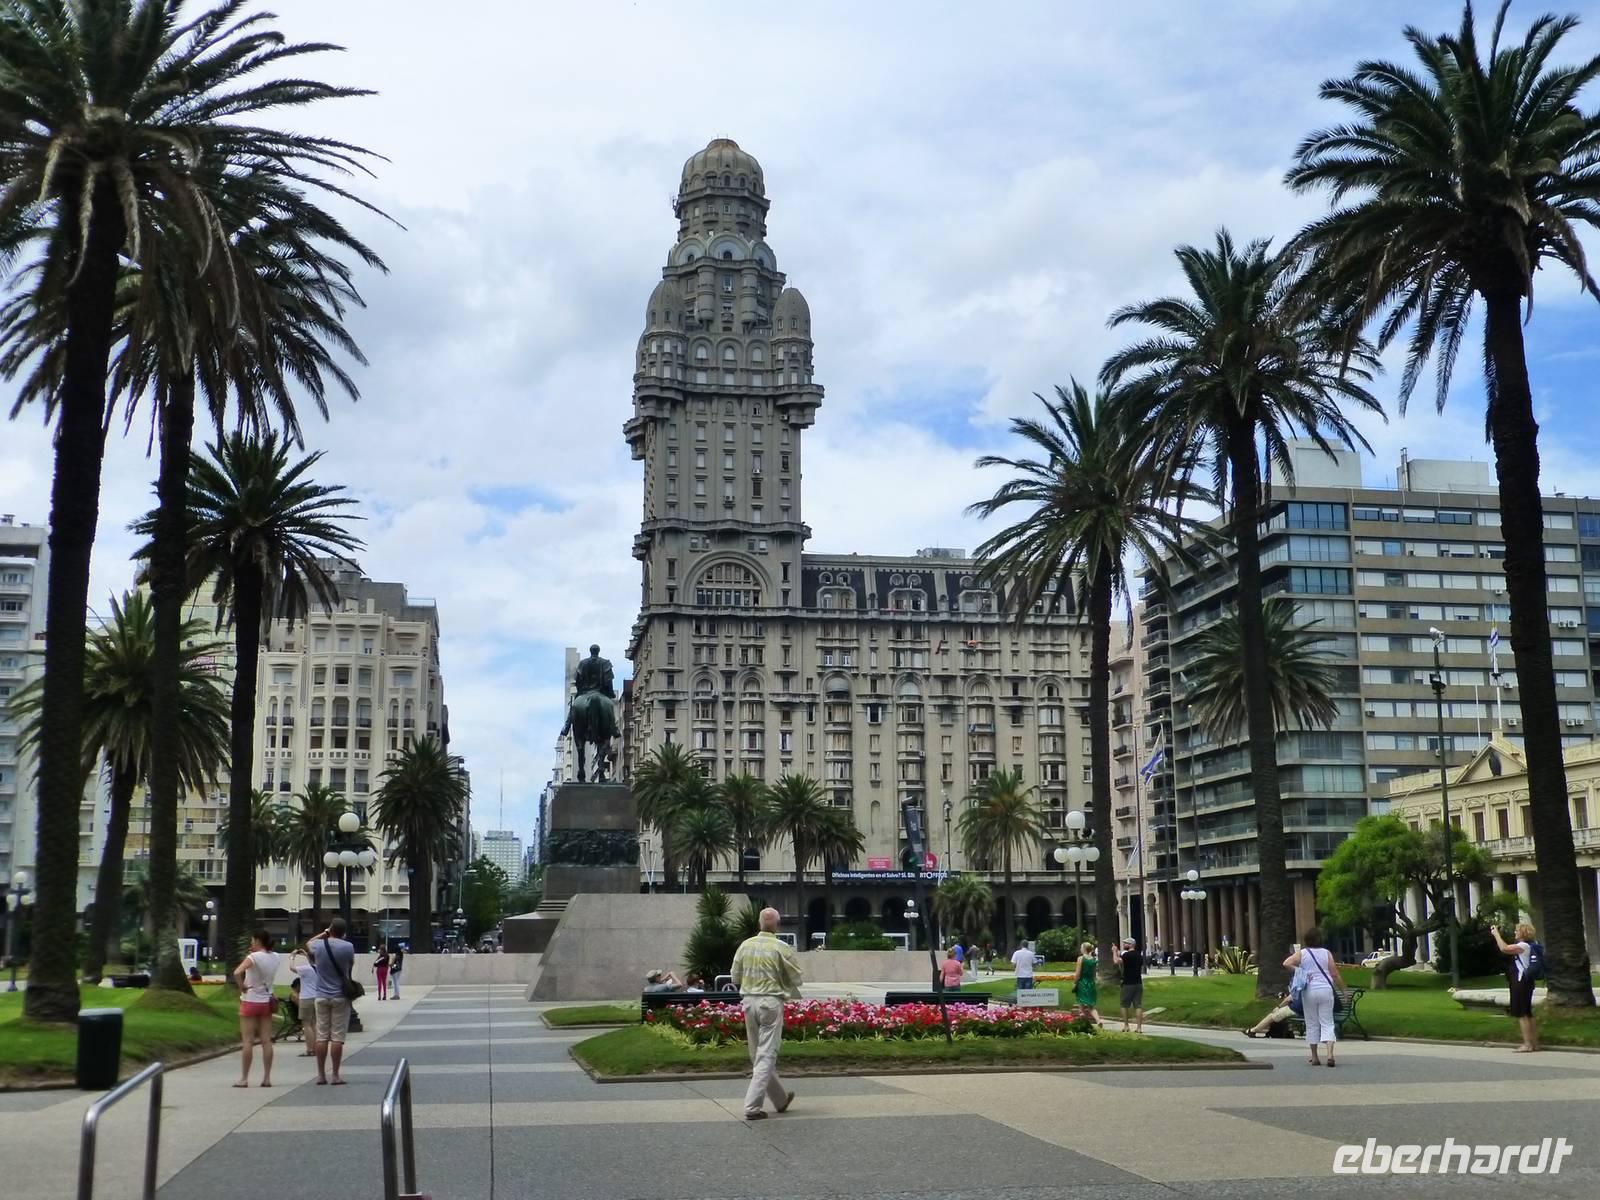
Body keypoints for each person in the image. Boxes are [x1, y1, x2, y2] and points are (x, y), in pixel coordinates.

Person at [730, 906, 802, 1121]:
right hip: (771, 1002)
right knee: (766, 1055)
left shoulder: (745, 945)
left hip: (749, 1002)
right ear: (777, 925)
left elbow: (735, 977)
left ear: (759, 923)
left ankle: (780, 1099)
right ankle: (752, 1107)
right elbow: (796, 978)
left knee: (756, 1055)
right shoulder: (781, 947)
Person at [1284, 926, 1344, 1067]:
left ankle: (1315, 1056)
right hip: (1325, 990)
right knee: (1327, 1022)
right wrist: (1344, 990)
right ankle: (1330, 1054)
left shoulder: (1302, 953)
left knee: (1312, 1023)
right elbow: (1334, 974)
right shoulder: (1326, 953)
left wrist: (1300, 971)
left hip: (1309, 991)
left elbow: (1286, 963)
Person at [308, 917, 357, 1085]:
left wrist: (324, 933)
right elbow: (350, 964)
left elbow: (308, 944)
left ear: (330, 929)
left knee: (321, 1037)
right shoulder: (348, 947)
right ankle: (335, 1074)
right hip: (340, 996)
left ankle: (321, 1075)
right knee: (337, 1037)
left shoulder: (319, 945)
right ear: (344, 932)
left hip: (321, 995)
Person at [232, 929, 279, 1088]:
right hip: (266, 1001)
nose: (251, 944)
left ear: (258, 941)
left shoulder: (252, 957)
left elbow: (237, 972)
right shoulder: (275, 957)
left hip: (250, 1000)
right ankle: (267, 1078)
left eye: (252, 941)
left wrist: (242, 987)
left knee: (248, 1041)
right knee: (266, 1040)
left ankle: (244, 1078)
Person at [1491, 920, 1540, 1052]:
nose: (1515, 932)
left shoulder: (1523, 946)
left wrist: (1496, 934)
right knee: (1528, 1013)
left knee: (1522, 1013)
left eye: (1517, 930)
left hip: (1520, 981)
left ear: (1523, 933)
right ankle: (1534, 1043)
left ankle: (1527, 1044)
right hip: (1526, 982)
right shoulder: (1530, 945)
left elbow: (1504, 948)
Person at [288, 949, 321, 1057]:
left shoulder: (306, 969)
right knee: (314, 1023)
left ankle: (309, 1049)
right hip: (317, 997)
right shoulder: (320, 968)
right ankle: (316, 1048)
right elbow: (312, 962)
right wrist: (307, 955)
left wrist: (292, 957)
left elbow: (292, 968)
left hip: (306, 997)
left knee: (306, 1024)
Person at [1111, 938, 1143, 1032]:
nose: (1124, 944)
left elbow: (1116, 961)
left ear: (1130, 945)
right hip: (1138, 983)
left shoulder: (1127, 955)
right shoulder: (1139, 955)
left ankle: (1126, 1026)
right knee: (1138, 1005)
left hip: (1128, 983)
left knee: (1124, 1005)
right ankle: (1139, 1027)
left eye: (1125, 943)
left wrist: (1114, 951)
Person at [1071, 941, 1100, 1023]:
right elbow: (1094, 974)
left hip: (1082, 982)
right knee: (1091, 1005)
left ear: (1083, 949)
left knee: (1081, 1002)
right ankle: (1098, 1020)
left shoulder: (1081, 959)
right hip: (1091, 982)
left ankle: (1082, 1019)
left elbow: (1078, 973)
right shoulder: (1093, 960)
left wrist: (1075, 983)